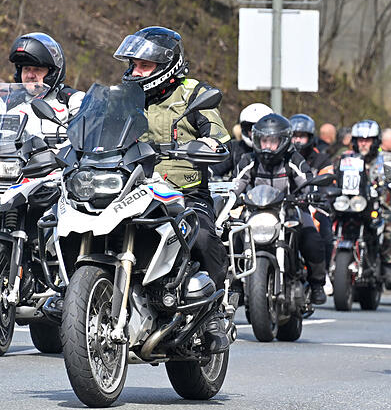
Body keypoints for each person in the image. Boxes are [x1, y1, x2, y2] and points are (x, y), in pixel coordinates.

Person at [114, 26, 231, 352]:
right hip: (130, 190)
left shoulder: (194, 94)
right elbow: (95, 129)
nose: (135, 72)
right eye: (133, 64)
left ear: (167, 65)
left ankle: (212, 316)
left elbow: (219, 136)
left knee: (204, 237)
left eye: (144, 66)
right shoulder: (123, 97)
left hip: (184, 193)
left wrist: (208, 143)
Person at [234, 114, 328, 305]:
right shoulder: (248, 160)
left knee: (312, 239)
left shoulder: (293, 159)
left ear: (284, 141)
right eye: (264, 140)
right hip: (256, 213)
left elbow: (306, 181)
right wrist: (231, 197)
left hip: (291, 210)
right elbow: (237, 183)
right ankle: (235, 285)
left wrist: (309, 194)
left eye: (273, 141)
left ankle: (317, 284)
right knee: (234, 237)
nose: (267, 146)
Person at [9, 32, 84, 135]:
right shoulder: (9, 103)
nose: (30, 75)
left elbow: (91, 132)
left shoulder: (71, 100)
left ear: (52, 73)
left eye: (37, 69)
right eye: (26, 69)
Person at [290, 113, 335, 270]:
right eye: (294, 136)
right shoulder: (284, 158)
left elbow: (328, 183)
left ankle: (323, 273)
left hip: (312, 204)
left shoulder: (321, 159)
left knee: (325, 233)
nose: (297, 140)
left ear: (310, 137)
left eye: (301, 136)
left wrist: (321, 197)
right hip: (287, 204)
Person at [211, 102, 272, 178]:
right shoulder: (234, 148)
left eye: (261, 127)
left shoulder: (278, 149)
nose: (255, 132)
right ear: (244, 129)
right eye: (250, 127)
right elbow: (213, 169)